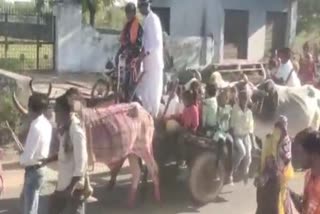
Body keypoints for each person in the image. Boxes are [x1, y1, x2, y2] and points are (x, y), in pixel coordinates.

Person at [44, 89, 89, 214]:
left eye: (57, 111)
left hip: (73, 189)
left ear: (66, 112)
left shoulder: (76, 132)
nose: (55, 114)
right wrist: (48, 160)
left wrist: (69, 190)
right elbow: (64, 154)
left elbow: (81, 164)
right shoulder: (65, 129)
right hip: (63, 186)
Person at [19, 94, 52, 214]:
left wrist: (21, 158)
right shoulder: (47, 124)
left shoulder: (35, 126)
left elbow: (28, 156)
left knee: (29, 209)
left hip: (33, 170)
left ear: (30, 108)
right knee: (30, 203)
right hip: (41, 169)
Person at [255, 116, 294, 214]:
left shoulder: (286, 142)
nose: (278, 130)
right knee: (263, 203)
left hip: (278, 180)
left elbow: (286, 161)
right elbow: (264, 158)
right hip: (268, 177)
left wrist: (275, 164)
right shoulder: (270, 139)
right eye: (277, 127)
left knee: (277, 205)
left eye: (281, 127)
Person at [136, 0, 164, 117]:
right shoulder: (147, 19)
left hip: (154, 61)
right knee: (145, 87)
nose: (141, 9)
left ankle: (154, 116)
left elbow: (155, 42)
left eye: (143, 5)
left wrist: (144, 53)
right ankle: (148, 114)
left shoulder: (153, 19)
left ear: (147, 5)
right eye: (140, 6)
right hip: (148, 62)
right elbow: (146, 41)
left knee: (154, 89)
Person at [116, 3, 143, 101]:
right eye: (127, 13)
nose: (128, 15)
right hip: (125, 60)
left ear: (134, 13)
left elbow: (138, 45)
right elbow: (124, 42)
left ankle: (132, 103)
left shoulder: (138, 27)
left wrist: (128, 51)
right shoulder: (127, 25)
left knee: (131, 86)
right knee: (123, 84)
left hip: (133, 61)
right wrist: (121, 52)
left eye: (130, 13)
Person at [290, 128, 320, 214]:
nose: (294, 156)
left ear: (313, 154)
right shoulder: (309, 176)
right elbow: (306, 209)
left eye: (297, 152)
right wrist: (289, 194)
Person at [230, 88, 255, 184]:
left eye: (246, 98)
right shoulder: (235, 109)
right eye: (243, 98)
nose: (244, 100)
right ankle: (233, 170)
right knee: (242, 152)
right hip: (237, 135)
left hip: (246, 135)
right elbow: (232, 124)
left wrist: (253, 141)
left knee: (249, 154)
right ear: (239, 99)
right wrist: (232, 138)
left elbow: (251, 127)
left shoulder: (249, 112)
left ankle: (245, 172)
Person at [215, 88, 234, 184]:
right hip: (219, 131)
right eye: (223, 97)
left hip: (226, 132)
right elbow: (216, 121)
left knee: (230, 144)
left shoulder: (229, 108)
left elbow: (231, 122)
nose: (224, 99)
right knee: (221, 145)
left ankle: (230, 173)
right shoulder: (217, 108)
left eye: (226, 98)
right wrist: (222, 118)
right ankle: (217, 171)